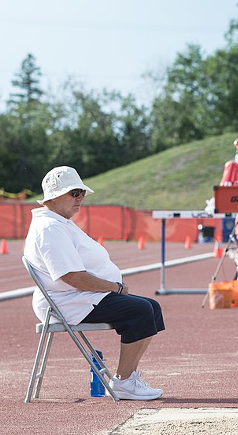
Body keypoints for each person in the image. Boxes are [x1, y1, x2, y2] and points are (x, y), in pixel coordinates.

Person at [23, 166, 164, 400]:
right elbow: (71, 277)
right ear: (55, 196)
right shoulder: (49, 228)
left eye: (81, 193)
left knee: (152, 308)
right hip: (68, 301)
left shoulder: (59, 222)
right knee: (140, 311)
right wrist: (114, 287)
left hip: (81, 296)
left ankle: (127, 378)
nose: (80, 199)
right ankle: (124, 382)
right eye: (74, 193)